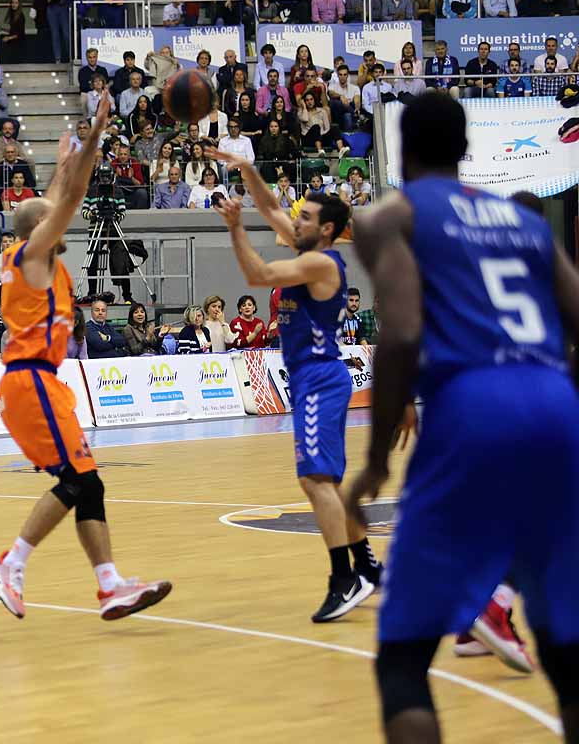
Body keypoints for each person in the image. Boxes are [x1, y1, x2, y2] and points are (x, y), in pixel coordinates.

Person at [347, 91, 579, 744]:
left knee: (404, 659)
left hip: (472, 404)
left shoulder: (388, 216)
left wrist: (373, 462)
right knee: (568, 652)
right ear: (466, 147)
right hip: (555, 401)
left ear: (401, 150)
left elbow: (400, 332)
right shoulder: (526, 222)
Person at [0, 92, 170, 622]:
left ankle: (110, 584)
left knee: (90, 481)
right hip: (30, 382)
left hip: (41, 384)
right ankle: (10, 561)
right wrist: (94, 139)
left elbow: (59, 192)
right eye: (54, 216)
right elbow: (72, 195)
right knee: (80, 481)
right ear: (43, 228)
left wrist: (66, 159)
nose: (64, 214)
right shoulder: (33, 253)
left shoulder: (37, 257)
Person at [210, 145, 381, 622]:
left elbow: (257, 273)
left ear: (325, 230)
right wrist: (247, 168)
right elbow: (268, 206)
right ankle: (366, 564)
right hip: (315, 377)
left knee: (313, 479)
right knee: (326, 481)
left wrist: (234, 226)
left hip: (319, 379)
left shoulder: (320, 264)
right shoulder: (309, 246)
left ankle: (344, 579)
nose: (294, 220)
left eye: (304, 217)